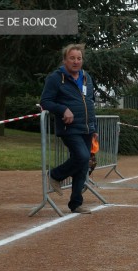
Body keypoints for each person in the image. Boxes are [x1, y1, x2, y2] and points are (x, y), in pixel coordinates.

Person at [40, 43, 97, 214]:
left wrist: (94, 127)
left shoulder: (87, 77)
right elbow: (46, 101)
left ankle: (76, 204)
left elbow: (90, 103)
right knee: (82, 156)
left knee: (83, 165)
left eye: (79, 58)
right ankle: (55, 175)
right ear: (65, 60)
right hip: (69, 127)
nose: (76, 61)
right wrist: (63, 109)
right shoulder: (56, 78)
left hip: (87, 128)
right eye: (72, 58)